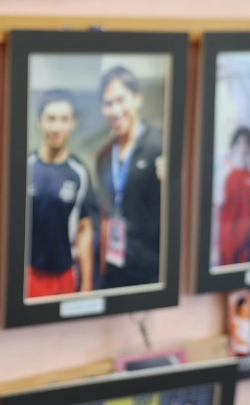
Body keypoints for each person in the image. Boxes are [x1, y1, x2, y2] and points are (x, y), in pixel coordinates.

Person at [94, 67, 165, 290]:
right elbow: (106, 212)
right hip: (115, 265)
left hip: (152, 270)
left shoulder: (160, 145)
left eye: (120, 100)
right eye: (108, 103)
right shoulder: (104, 156)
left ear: (137, 99)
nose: (115, 110)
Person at [26, 90, 99, 297]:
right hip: (28, 273)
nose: (57, 127)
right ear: (40, 122)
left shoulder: (79, 172)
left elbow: (84, 228)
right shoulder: (26, 167)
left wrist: (86, 285)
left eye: (64, 119)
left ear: (73, 123)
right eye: (51, 119)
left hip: (65, 276)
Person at [217, 126, 250, 266]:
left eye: (246, 144)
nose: (242, 148)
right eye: (239, 143)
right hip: (228, 239)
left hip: (245, 240)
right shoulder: (224, 172)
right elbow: (217, 208)